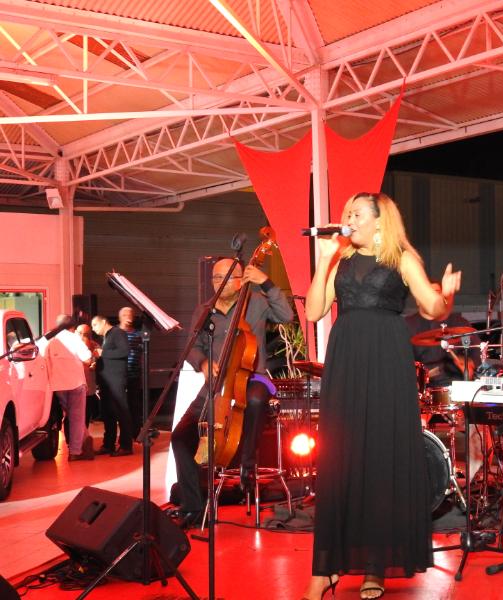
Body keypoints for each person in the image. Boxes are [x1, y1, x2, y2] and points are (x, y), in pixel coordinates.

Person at [302, 192, 462, 600]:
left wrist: (446, 294)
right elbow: (314, 312)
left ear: (379, 220)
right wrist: (322, 263)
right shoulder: (339, 260)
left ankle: (375, 566)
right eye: (347, 213)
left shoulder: (401, 259)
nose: (348, 219)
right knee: (340, 456)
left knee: (380, 457)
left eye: (356, 213)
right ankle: (326, 568)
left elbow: (433, 310)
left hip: (387, 360)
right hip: (346, 360)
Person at [168, 257, 293, 529]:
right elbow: (192, 347)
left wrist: (266, 283)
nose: (220, 283)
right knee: (180, 438)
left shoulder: (256, 302)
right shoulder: (204, 310)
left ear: (240, 280)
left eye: (227, 277)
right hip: (216, 387)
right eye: (216, 278)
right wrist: (203, 362)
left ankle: (248, 461)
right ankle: (194, 509)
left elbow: (286, 316)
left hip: (253, 376)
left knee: (256, 397)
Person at [405, 281, 480, 386]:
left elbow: (477, 353)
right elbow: (399, 362)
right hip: (423, 388)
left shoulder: (460, 323)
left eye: (436, 293)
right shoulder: (406, 325)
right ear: (418, 300)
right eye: (427, 294)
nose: (432, 298)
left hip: (457, 386)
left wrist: (470, 363)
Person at [45, 315, 93, 461]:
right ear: (72, 326)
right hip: (75, 383)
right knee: (77, 418)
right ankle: (75, 452)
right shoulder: (74, 339)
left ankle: (86, 441)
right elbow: (87, 358)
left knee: (71, 415)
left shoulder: (50, 340)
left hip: (58, 385)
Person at [91, 315, 132, 456]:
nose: (93, 329)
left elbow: (124, 351)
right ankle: (108, 444)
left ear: (104, 322)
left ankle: (126, 446)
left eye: (95, 325)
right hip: (107, 381)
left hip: (116, 380)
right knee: (108, 413)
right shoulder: (107, 336)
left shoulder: (117, 333)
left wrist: (103, 353)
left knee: (121, 411)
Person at [118, 307, 144, 437]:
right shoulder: (115, 333)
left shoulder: (138, 334)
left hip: (134, 374)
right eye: (125, 315)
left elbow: (142, 353)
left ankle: (135, 432)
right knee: (121, 405)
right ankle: (124, 434)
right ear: (120, 317)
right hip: (119, 375)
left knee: (134, 404)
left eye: (130, 315)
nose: (128, 317)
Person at [77, 323, 101, 424]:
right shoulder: (71, 345)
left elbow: (98, 361)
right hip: (75, 386)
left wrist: (96, 364)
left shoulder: (94, 345)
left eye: (86, 334)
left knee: (86, 413)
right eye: (80, 333)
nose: (82, 336)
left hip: (89, 387)